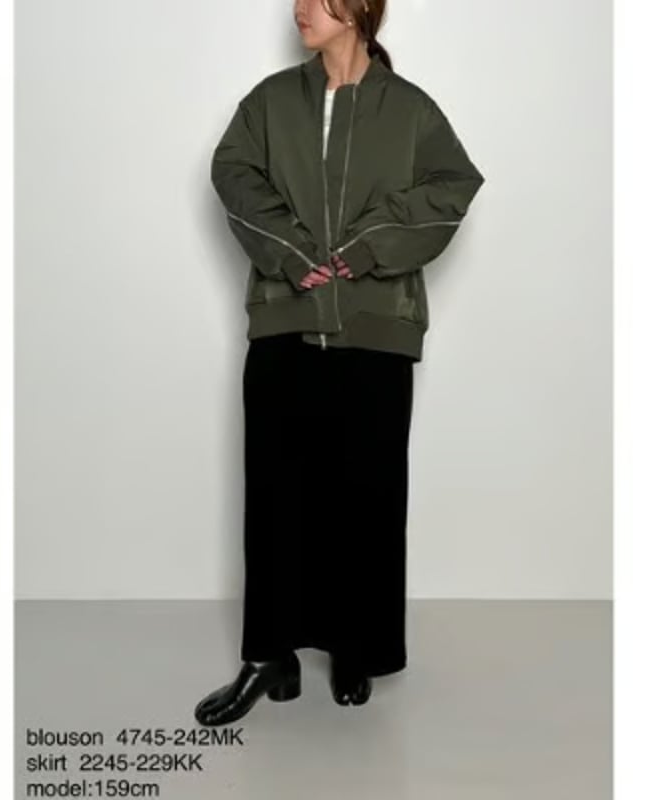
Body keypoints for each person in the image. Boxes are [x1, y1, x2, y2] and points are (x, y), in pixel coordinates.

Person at [194, 0, 485, 726]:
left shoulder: (409, 110)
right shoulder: (270, 103)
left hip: (376, 330)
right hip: (284, 325)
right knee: (275, 496)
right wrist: (294, 253)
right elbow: (233, 173)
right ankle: (269, 657)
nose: (298, 9)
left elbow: (454, 185)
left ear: (356, 8)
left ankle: (355, 648)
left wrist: (368, 246)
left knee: (367, 497)